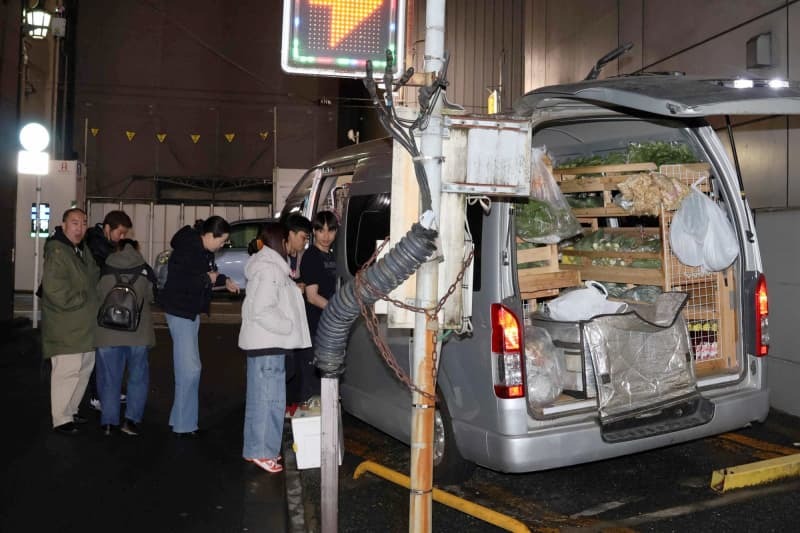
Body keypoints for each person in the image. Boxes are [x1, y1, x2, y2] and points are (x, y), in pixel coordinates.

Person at [158, 216, 240, 437]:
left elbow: (207, 275)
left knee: (186, 369)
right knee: (190, 370)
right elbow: (183, 281)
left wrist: (223, 280)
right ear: (210, 236)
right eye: (222, 241)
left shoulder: (201, 249)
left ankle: (180, 420)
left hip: (188, 312)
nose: (222, 246)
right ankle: (185, 425)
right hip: (181, 311)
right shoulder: (189, 249)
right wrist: (208, 279)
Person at [239, 222, 311, 473]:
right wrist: (287, 325)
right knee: (270, 401)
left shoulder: (269, 267)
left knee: (261, 400)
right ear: (280, 242)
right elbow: (262, 309)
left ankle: (255, 449)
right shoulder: (270, 269)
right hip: (269, 344)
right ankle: (263, 451)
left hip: (265, 344)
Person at [40, 208, 100, 435]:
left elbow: (94, 275)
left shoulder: (80, 250)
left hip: (84, 326)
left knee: (83, 369)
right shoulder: (58, 251)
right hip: (66, 327)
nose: (80, 227)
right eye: (74, 222)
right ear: (63, 225)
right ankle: (61, 418)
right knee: (66, 372)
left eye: (84, 223)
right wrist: (85, 298)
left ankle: (71, 410)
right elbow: (55, 290)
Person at [94, 239, 156, 436]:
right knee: (137, 377)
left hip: (108, 332)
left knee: (109, 379)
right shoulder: (144, 269)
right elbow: (152, 297)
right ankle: (131, 421)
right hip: (138, 332)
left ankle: (108, 423)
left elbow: (98, 295)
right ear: (136, 249)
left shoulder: (105, 268)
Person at [85, 210, 133, 411]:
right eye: (119, 233)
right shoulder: (97, 245)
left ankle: (105, 391)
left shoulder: (102, 243)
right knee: (99, 351)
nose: (121, 238)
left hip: (99, 302)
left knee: (103, 351)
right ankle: (98, 395)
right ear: (107, 228)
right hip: (93, 303)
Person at [297, 210, 339, 407]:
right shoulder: (312, 256)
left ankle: (325, 427)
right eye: (321, 231)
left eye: (331, 230)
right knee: (312, 381)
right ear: (314, 232)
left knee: (327, 378)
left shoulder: (333, 255)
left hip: (330, 327)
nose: (326, 236)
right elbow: (312, 297)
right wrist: (338, 310)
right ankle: (307, 429)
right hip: (315, 327)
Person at [282, 214, 311, 413]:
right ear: (290, 234)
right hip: (281, 326)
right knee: (286, 367)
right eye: (303, 237)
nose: (305, 241)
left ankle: (290, 406)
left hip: (292, 323)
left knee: (294, 367)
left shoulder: (298, 257)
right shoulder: (277, 258)